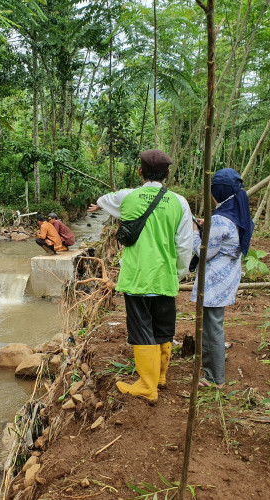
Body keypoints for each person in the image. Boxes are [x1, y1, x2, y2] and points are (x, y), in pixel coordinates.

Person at [88, 149, 194, 403]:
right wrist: (178, 272)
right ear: (167, 174)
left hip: (137, 278)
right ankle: (160, 376)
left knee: (142, 329)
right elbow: (184, 245)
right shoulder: (180, 202)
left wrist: (99, 204)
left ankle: (147, 385)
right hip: (165, 277)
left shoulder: (127, 197)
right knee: (163, 328)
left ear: (140, 172)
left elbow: (105, 200)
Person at [191, 168, 254, 388]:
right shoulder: (235, 213)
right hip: (227, 278)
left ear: (217, 190)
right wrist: (206, 227)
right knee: (214, 325)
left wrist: (193, 232)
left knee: (212, 328)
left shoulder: (220, 220)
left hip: (214, 282)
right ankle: (214, 368)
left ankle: (214, 377)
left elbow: (203, 252)